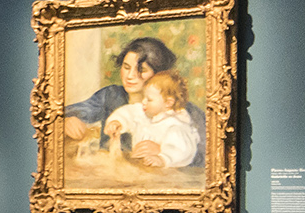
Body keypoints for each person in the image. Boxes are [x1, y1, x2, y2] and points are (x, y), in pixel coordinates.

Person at [63, 36, 204, 145]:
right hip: (111, 170)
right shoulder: (110, 95)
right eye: (126, 67)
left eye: (141, 70)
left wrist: (164, 153)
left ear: (158, 74)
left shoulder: (179, 108)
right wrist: (67, 120)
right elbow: (61, 113)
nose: (130, 76)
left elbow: (205, 153)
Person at [102, 68, 200, 169]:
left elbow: (182, 150)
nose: (143, 102)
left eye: (149, 99)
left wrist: (162, 158)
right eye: (144, 97)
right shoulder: (145, 113)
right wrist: (117, 122)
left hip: (164, 172)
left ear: (168, 103)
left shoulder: (176, 126)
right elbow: (129, 113)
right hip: (139, 167)